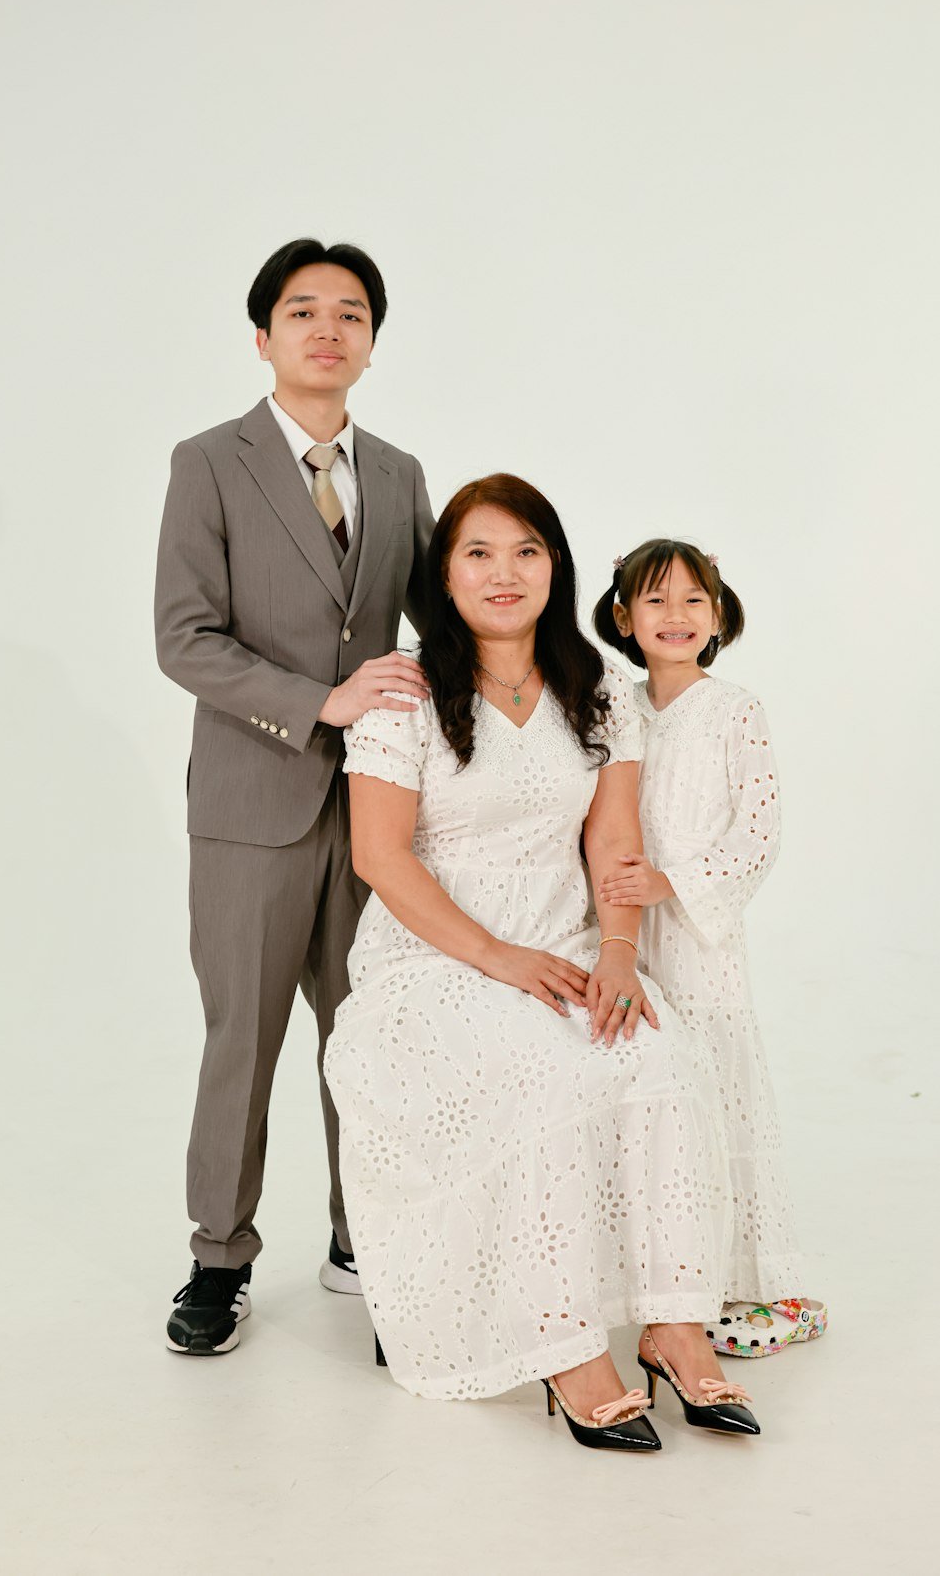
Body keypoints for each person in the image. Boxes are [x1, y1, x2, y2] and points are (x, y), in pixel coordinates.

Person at [323, 477, 760, 1449]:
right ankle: (566, 1346)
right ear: (444, 574)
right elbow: (380, 856)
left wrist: (619, 954)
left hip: (566, 943)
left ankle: (674, 1325)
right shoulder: (406, 691)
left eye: (526, 550)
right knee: (544, 1073)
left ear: (555, 565)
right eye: (478, 552)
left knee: (660, 1059)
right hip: (435, 960)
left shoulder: (593, 685)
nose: (504, 572)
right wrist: (498, 956)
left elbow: (614, 839)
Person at [154, 238, 435, 1354]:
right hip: (250, 805)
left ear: (371, 343)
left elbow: (444, 620)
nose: (329, 328)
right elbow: (185, 638)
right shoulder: (207, 462)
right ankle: (218, 1258)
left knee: (373, 1034)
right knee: (246, 1039)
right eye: (305, 310)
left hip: (377, 811)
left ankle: (368, 1241)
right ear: (263, 336)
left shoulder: (401, 473)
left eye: (351, 313)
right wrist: (321, 701)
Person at [592, 540, 826, 1356]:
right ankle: (653, 1276)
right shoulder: (612, 708)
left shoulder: (734, 711)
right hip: (620, 933)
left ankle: (741, 1279)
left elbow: (758, 833)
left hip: (699, 937)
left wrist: (672, 882)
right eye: (655, 599)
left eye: (694, 599)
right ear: (623, 616)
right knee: (638, 1086)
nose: (676, 615)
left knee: (715, 1086)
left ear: (718, 615)